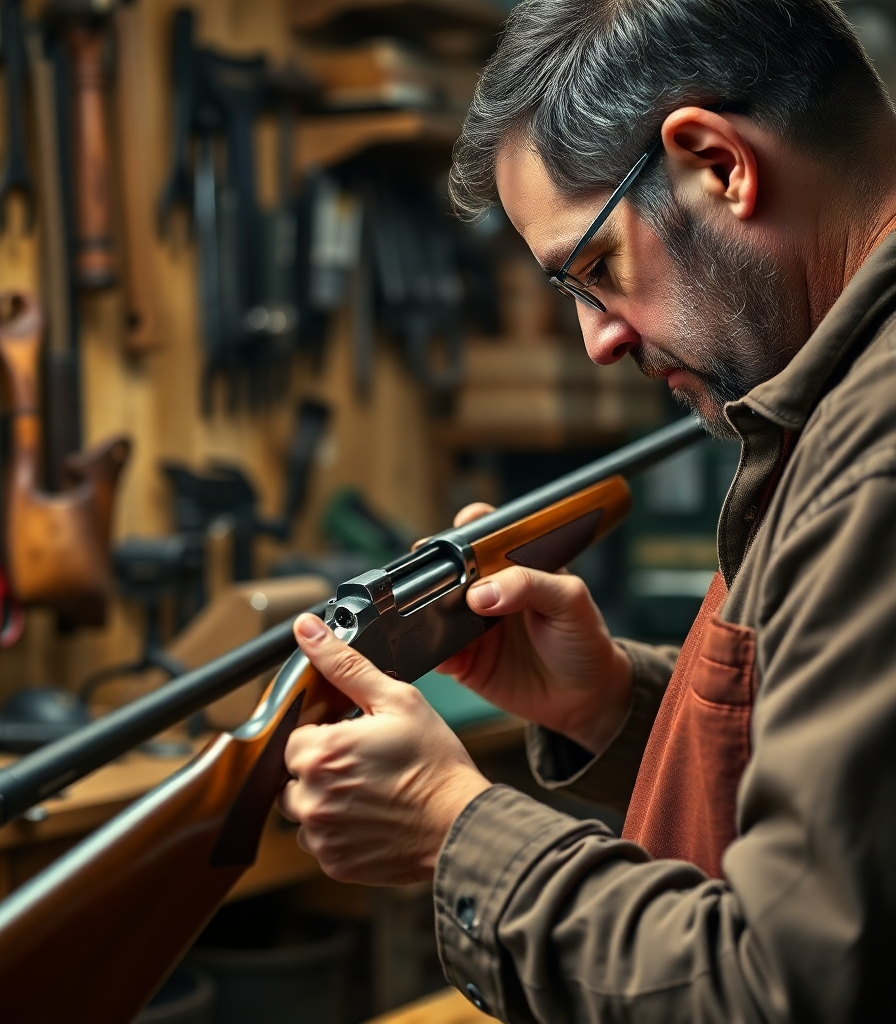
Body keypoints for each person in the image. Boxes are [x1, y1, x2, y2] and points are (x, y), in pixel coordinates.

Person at [279, 1, 896, 1020]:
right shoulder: (838, 405)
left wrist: (454, 827)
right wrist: (614, 705)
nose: (597, 342)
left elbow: (780, 989)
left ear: (716, 165)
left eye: (597, 268)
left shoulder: (871, 454)